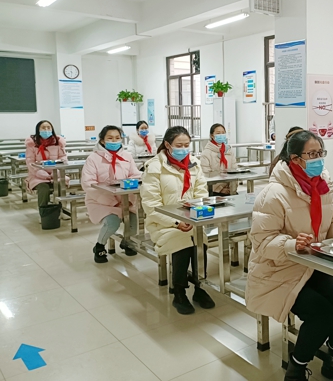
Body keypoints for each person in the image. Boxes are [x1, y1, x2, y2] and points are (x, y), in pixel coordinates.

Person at [246, 130, 333, 381]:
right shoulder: (273, 193)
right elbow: (261, 241)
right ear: (295, 159)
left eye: (320, 153)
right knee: (321, 314)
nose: (318, 159)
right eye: (312, 154)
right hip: (279, 269)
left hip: (313, 264)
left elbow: (332, 224)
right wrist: (291, 244)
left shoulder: (324, 186)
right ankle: (296, 370)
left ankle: (331, 358)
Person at [141, 126, 215, 314]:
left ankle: (199, 286)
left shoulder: (194, 163)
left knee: (200, 241)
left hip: (191, 219)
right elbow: (151, 205)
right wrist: (175, 222)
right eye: (179, 145)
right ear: (168, 145)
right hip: (162, 222)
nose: (183, 149)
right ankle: (179, 291)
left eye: (186, 145)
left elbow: (201, 193)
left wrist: (193, 216)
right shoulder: (154, 167)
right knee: (181, 241)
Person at [82, 125, 141, 263]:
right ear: (102, 140)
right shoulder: (93, 158)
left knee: (133, 221)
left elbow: (135, 174)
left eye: (117, 138)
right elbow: (88, 183)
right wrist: (111, 201)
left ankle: (127, 241)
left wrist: (139, 180)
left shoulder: (127, 156)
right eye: (110, 138)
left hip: (125, 199)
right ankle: (99, 245)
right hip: (100, 200)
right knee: (112, 222)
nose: (114, 141)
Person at [25, 120, 68, 220]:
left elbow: (63, 158)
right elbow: (30, 162)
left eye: (48, 127)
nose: (46, 130)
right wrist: (39, 172)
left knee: (60, 184)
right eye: (43, 128)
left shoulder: (58, 143)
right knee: (43, 188)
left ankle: (61, 210)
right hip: (37, 176)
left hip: (56, 174)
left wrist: (57, 171)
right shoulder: (32, 145)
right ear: (38, 130)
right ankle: (44, 213)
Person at [199, 123, 237, 195]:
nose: (221, 135)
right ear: (212, 135)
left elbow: (234, 169)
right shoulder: (206, 153)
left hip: (230, 189)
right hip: (214, 191)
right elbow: (205, 175)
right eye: (218, 133)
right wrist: (220, 189)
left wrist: (231, 188)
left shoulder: (229, 150)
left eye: (223, 133)